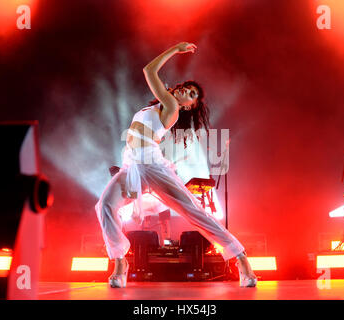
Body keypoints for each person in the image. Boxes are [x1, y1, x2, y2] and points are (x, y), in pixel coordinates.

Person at [95, 42, 257, 288]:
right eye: (186, 88)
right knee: (105, 204)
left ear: (188, 106)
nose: (186, 92)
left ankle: (241, 259)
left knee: (193, 212)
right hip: (131, 166)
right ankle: (120, 262)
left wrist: (174, 50)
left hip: (153, 167)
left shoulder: (172, 108)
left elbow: (149, 71)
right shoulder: (154, 107)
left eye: (192, 95)